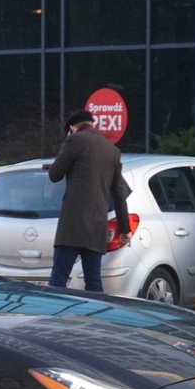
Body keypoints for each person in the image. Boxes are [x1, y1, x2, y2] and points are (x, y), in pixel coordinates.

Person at [47, 109, 132, 292]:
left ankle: (54, 319)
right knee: (94, 283)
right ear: (94, 124)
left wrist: (66, 143)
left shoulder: (74, 140)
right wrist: (125, 229)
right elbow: (119, 194)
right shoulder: (113, 151)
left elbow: (54, 175)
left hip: (72, 226)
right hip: (96, 225)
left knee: (58, 281)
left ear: (71, 127)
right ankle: (94, 318)